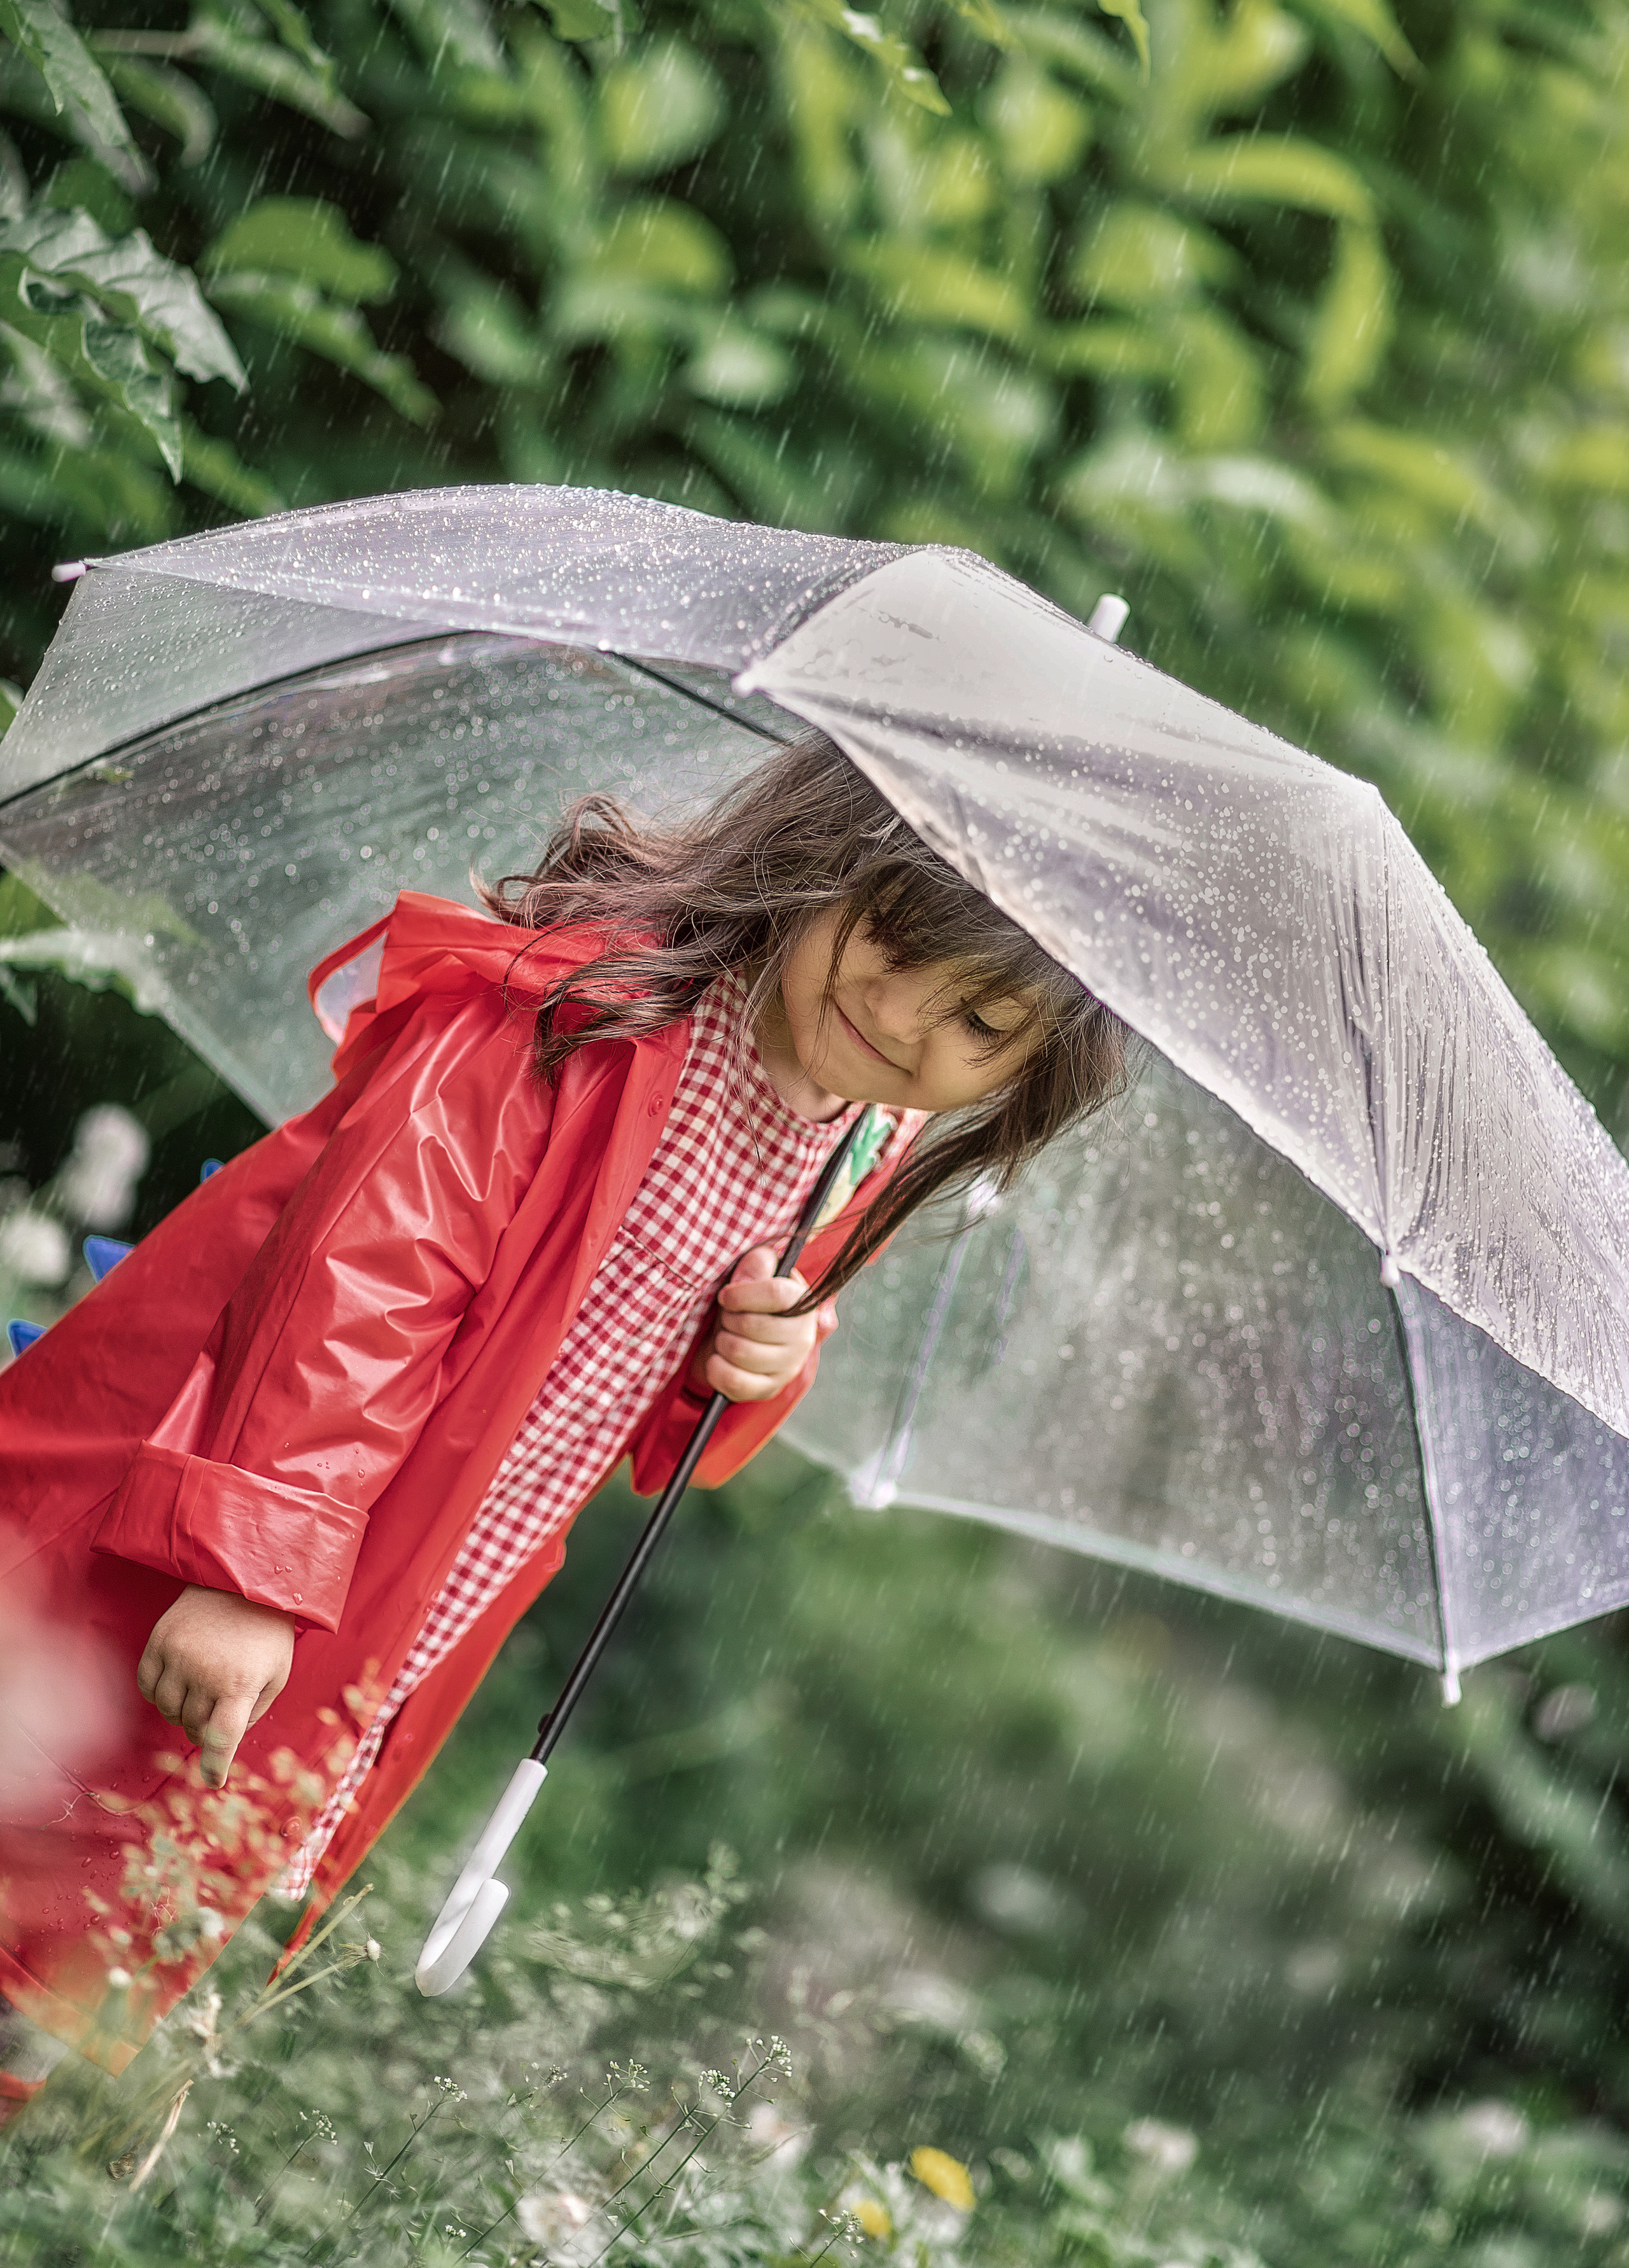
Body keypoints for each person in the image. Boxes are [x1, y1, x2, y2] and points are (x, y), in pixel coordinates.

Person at [0, 736, 1130, 2113]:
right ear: (823, 855)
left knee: (109, 1954)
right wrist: (249, 1563)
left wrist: (766, 1357)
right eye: (894, 943)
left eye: (980, 1027)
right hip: (214, 1509)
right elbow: (370, 1269)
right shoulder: (587, 1001)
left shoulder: (855, 1142)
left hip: (399, 1602)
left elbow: (650, 1394)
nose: (906, 1022)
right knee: (45, 1854)